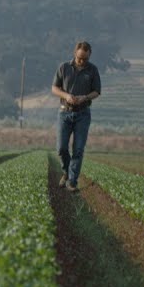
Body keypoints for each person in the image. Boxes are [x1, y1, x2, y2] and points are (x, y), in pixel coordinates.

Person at [51, 40, 101, 192]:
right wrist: (66, 96)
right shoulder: (64, 67)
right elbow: (54, 88)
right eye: (80, 58)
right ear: (75, 54)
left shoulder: (93, 70)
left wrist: (84, 97)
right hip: (64, 112)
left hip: (83, 114)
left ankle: (72, 182)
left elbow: (97, 91)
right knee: (61, 148)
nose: (82, 61)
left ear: (89, 56)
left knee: (78, 149)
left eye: (85, 59)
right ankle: (66, 171)